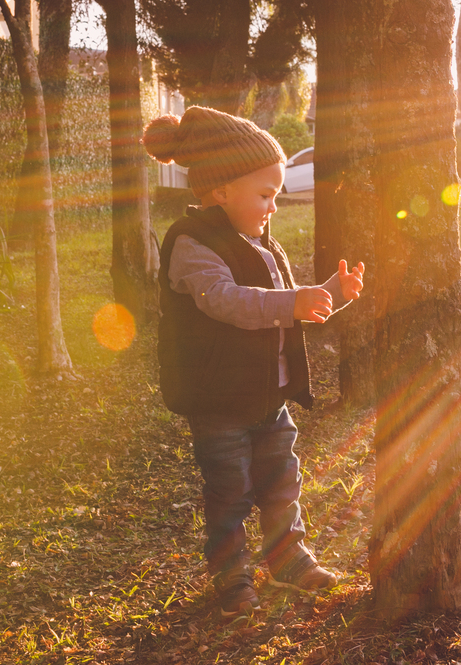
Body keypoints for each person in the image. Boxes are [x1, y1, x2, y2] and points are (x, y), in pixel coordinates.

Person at [143, 106, 365, 618]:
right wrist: (292, 301)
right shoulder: (190, 244)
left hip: (270, 398)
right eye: (265, 194)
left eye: (275, 195)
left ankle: (288, 558)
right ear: (221, 191)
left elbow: (279, 311)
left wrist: (329, 294)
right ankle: (232, 577)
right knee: (230, 493)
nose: (273, 206)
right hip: (220, 402)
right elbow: (228, 302)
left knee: (282, 483)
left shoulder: (259, 242)